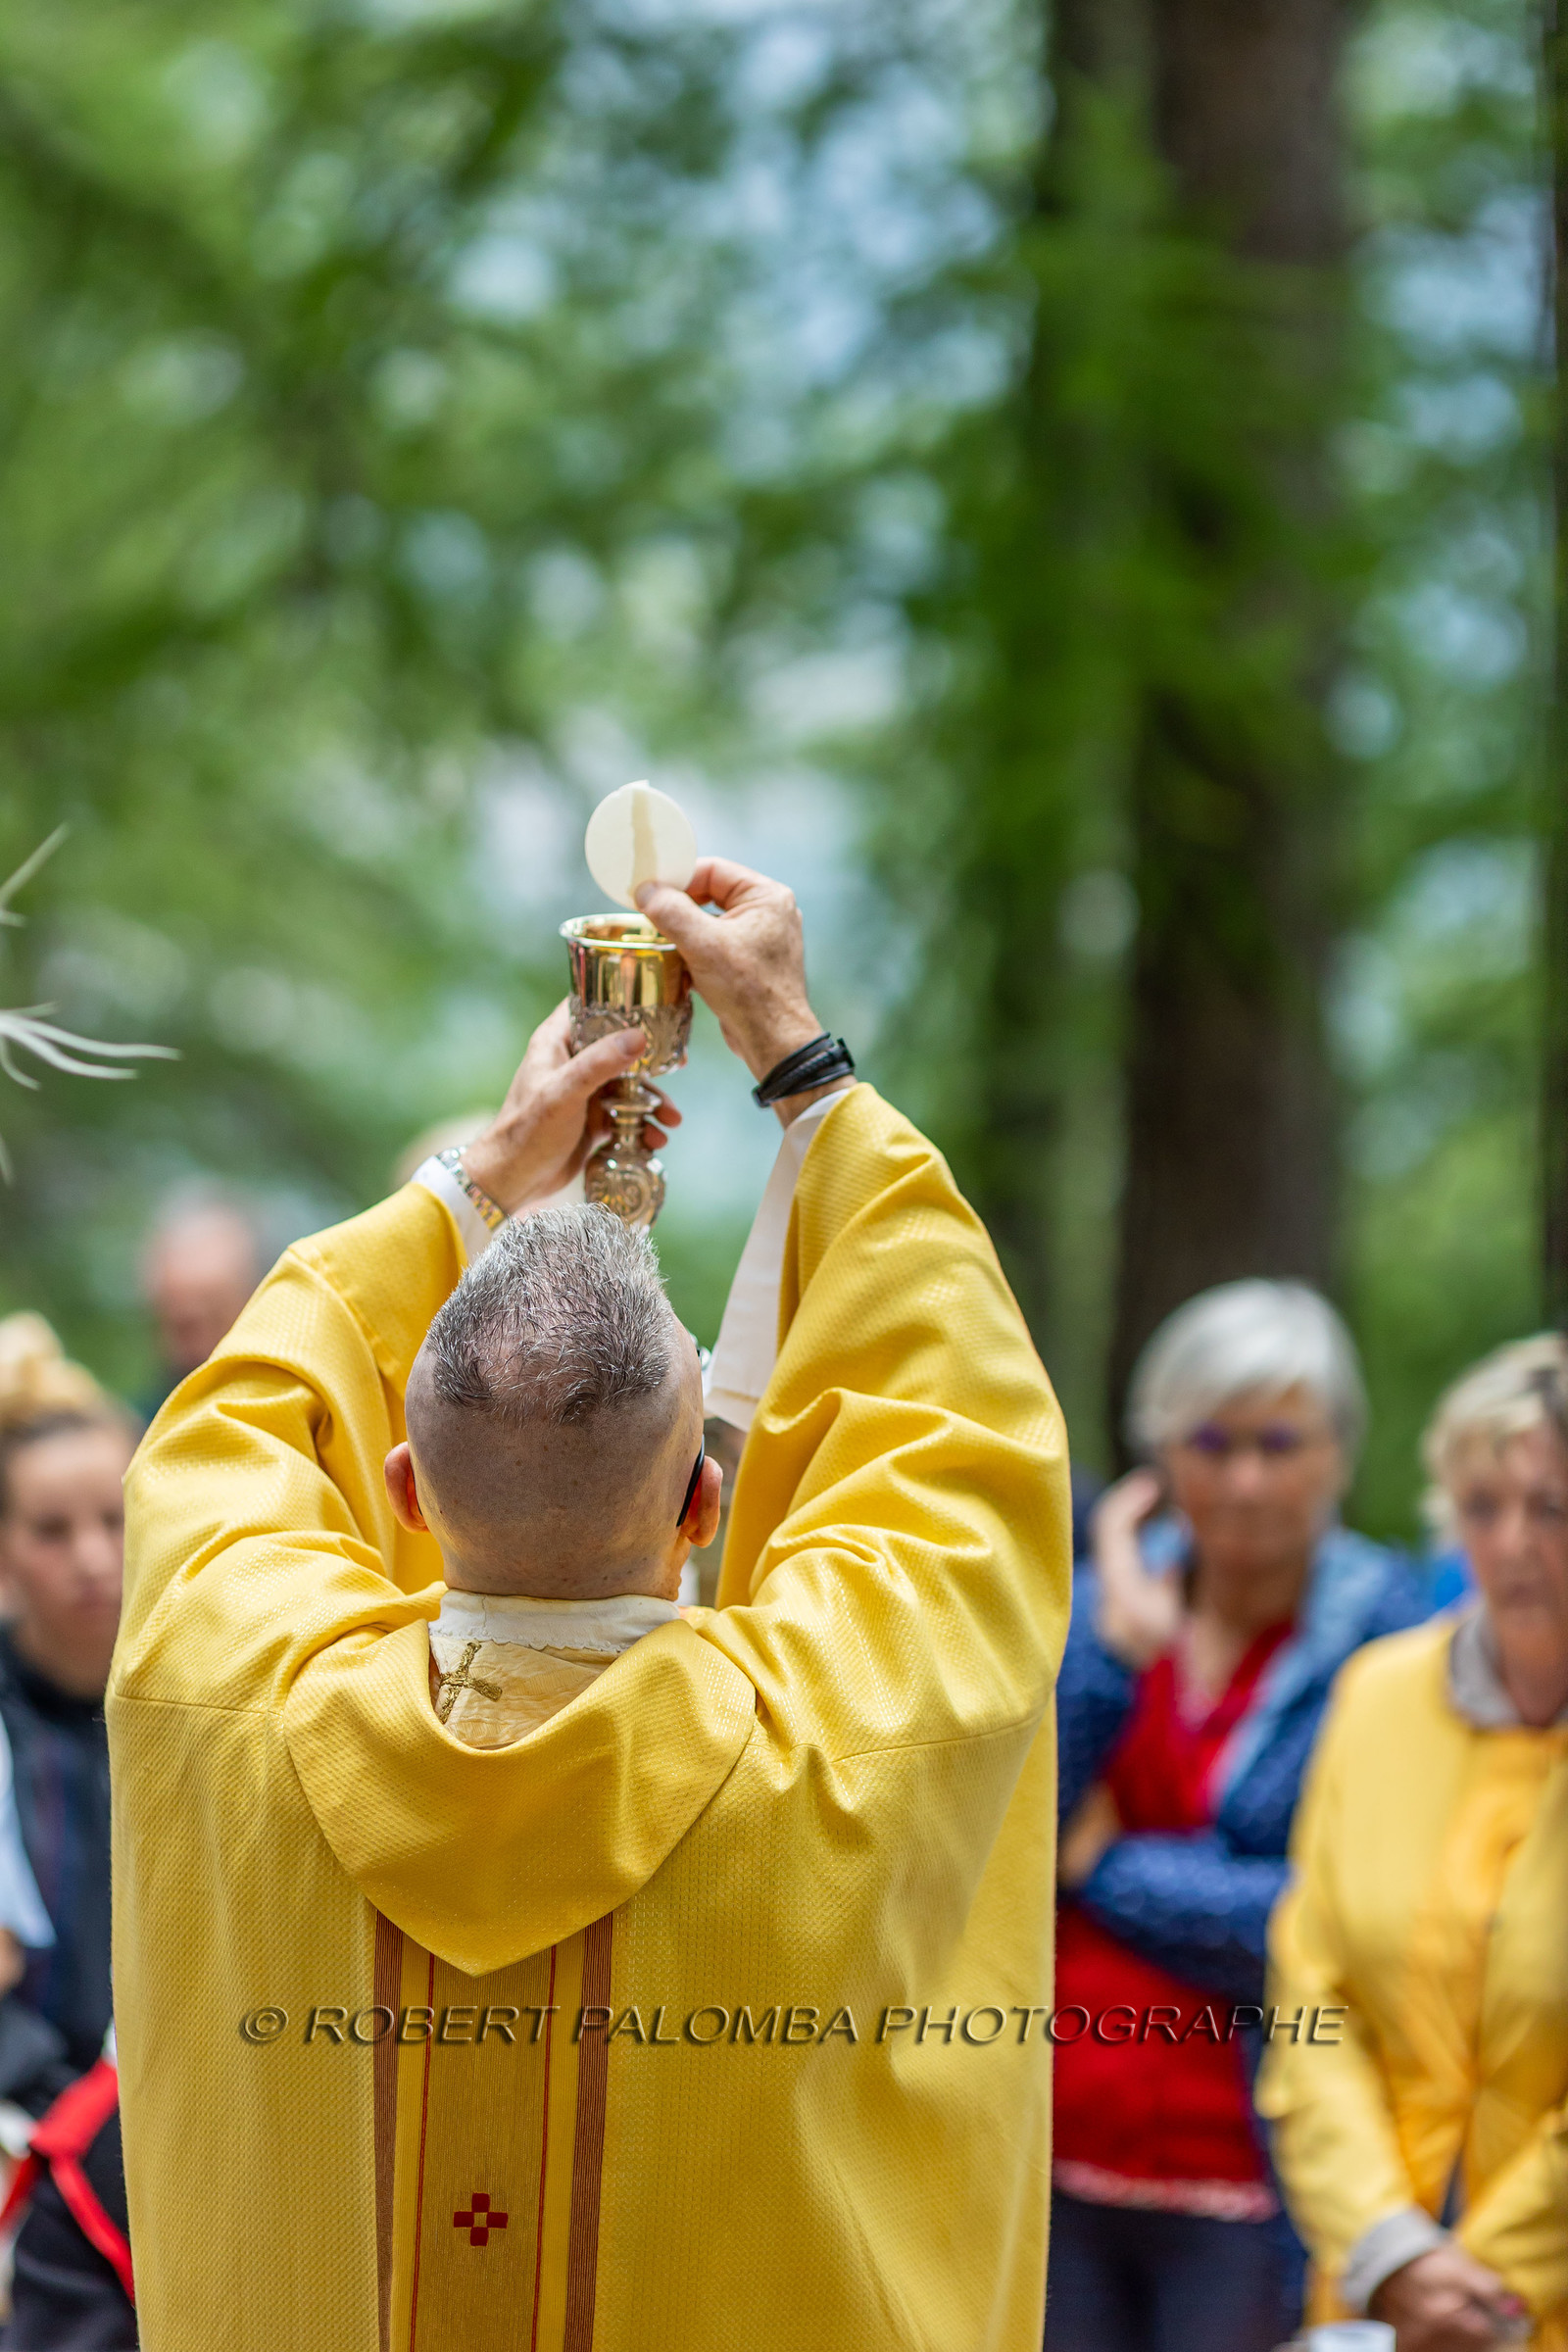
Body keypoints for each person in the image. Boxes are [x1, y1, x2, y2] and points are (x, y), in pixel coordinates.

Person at [111, 858, 1073, 2352]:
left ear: (405, 1498)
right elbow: (955, 1437)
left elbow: (235, 1424)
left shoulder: (226, 1691)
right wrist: (800, 1067)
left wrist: (476, 1175)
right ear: (707, 1503)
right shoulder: (848, 1733)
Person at [1047, 1279, 1428, 2352]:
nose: (1246, 1478)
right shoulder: (1098, 1612)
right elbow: (1005, 1851)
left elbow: (1326, 1921)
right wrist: (1112, 1660)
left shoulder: (1394, 1640)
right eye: (1210, 1442)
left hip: (1255, 2177)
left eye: (1279, 1441)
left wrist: (1105, 1872)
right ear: (1161, 1454)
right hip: (1054, 2149)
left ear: (1340, 1453)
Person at [1260, 1333, 1568, 2351]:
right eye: (1483, 1508)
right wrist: (1387, 2253)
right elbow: (1311, 1995)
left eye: (1552, 1509)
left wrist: (1488, 2286)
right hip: (1372, 2299)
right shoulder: (1377, 1694)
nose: (1515, 1544)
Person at [136, 1194, 260, 1418]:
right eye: (180, 1324)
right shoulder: (133, 1432)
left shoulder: (302, 1412)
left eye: (213, 1314)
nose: (197, 1346)